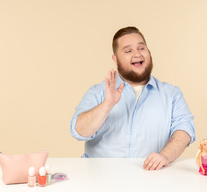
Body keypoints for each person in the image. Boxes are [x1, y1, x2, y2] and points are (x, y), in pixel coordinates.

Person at [70, 26, 196, 170]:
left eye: (141, 48)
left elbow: (185, 130)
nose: (137, 54)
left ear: (149, 52)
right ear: (115, 60)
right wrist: (107, 105)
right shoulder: (97, 92)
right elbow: (79, 131)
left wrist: (165, 156)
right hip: (101, 180)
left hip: (152, 177)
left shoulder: (172, 94)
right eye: (128, 51)